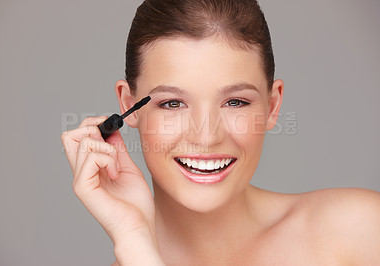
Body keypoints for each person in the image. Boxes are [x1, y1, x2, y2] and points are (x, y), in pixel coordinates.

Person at [61, 0, 380, 265]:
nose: (206, 137)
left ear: (272, 106)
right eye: (173, 103)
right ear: (129, 105)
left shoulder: (361, 231)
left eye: (235, 102)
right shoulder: (135, 255)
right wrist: (135, 241)